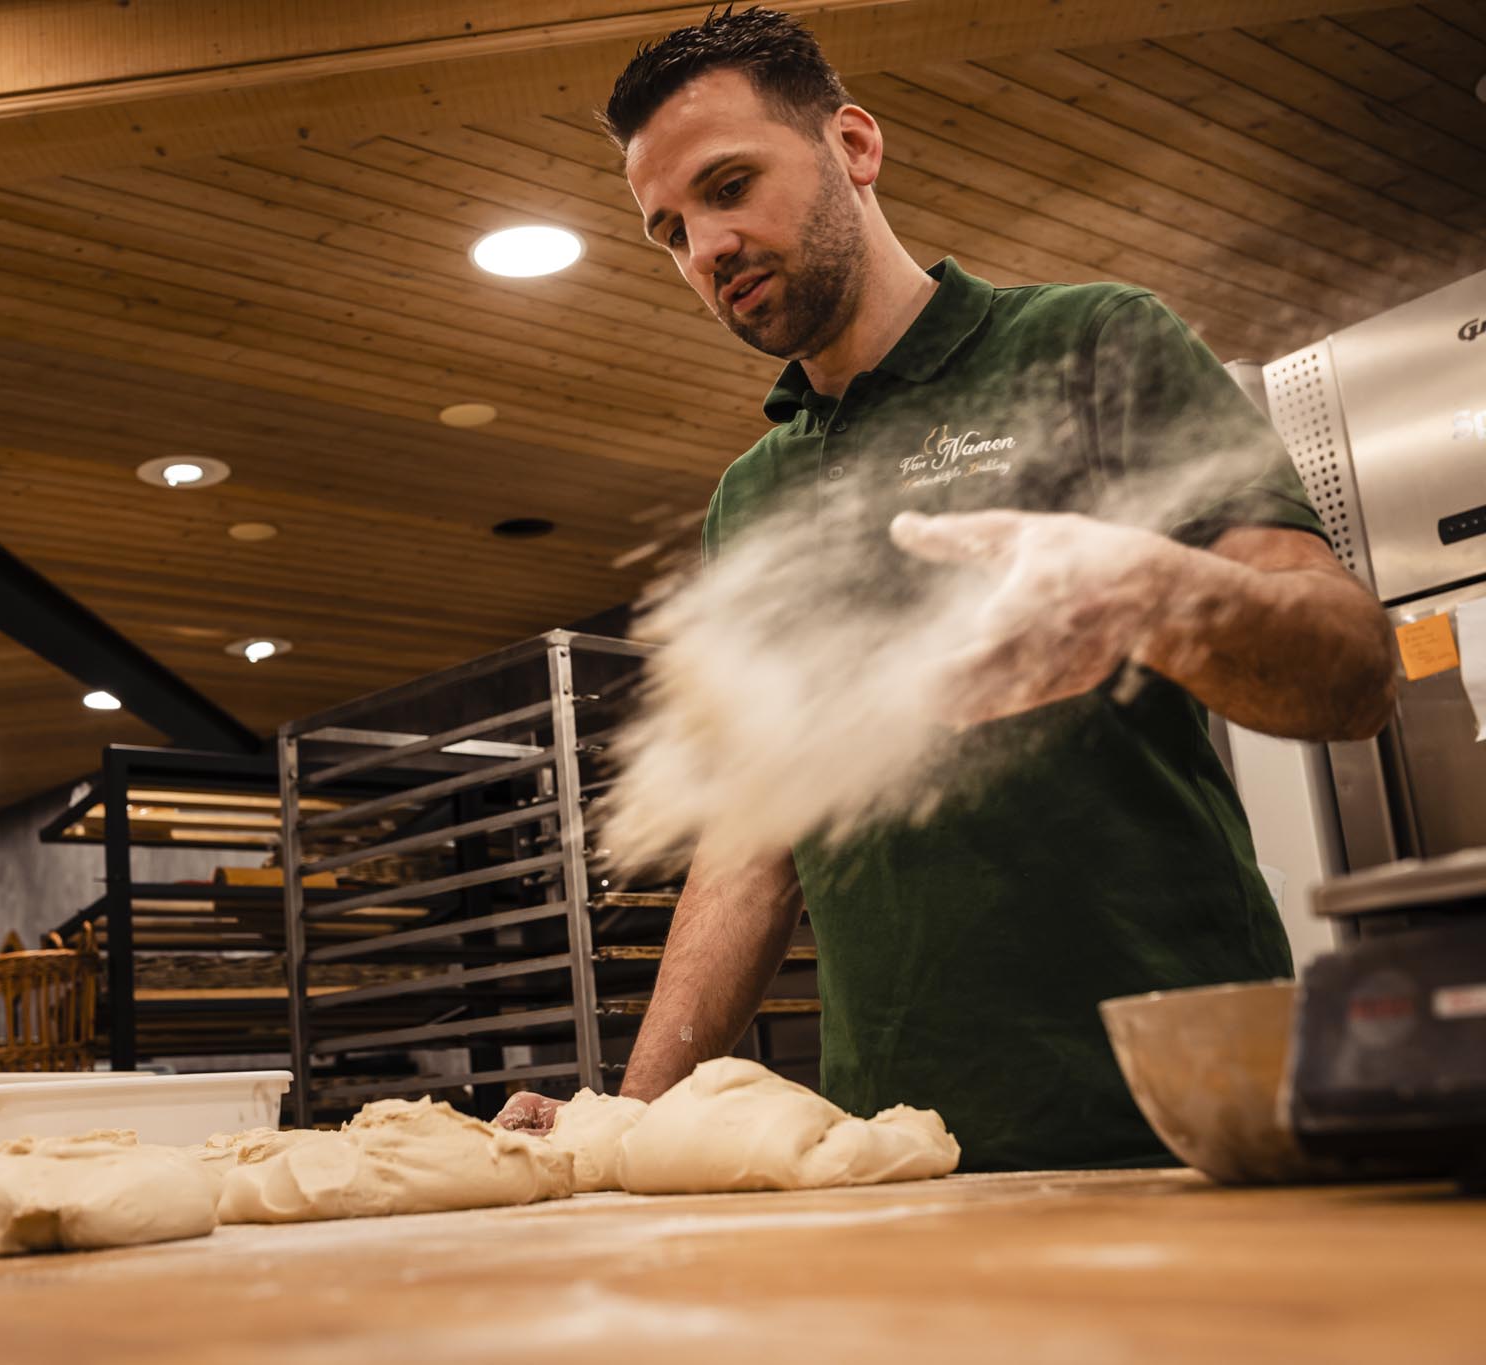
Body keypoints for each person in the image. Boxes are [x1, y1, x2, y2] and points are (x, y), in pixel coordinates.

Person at [495, 8, 1396, 1170]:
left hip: (1173, 1112)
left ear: (852, 147)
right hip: (892, 1143)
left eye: (729, 186)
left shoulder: (1086, 346)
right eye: (669, 231)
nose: (705, 248)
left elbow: (1355, 676)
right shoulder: (750, 497)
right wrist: (625, 1115)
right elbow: (751, 844)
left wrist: (1156, 593)